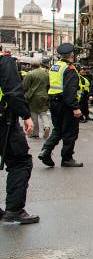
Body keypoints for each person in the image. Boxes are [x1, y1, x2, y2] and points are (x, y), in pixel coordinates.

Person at [0, 51, 37, 224]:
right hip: (3, 123)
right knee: (20, 161)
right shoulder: (4, 62)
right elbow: (13, 92)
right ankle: (14, 209)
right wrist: (25, 115)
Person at [38, 43, 83, 168]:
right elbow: (70, 90)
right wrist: (75, 107)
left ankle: (46, 151)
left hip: (54, 102)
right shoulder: (70, 69)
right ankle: (67, 158)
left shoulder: (55, 67)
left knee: (57, 130)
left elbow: (49, 85)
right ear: (72, 54)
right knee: (70, 132)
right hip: (66, 104)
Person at [22, 59, 50, 139]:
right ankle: (47, 126)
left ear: (31, 65)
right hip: (44, 96)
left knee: (33, 114)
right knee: (43, 113)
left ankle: (35, 133)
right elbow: (48, 85)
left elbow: (25, 86)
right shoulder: (45, 74)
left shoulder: (30, 74)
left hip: (33, 97)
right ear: (40, 65)